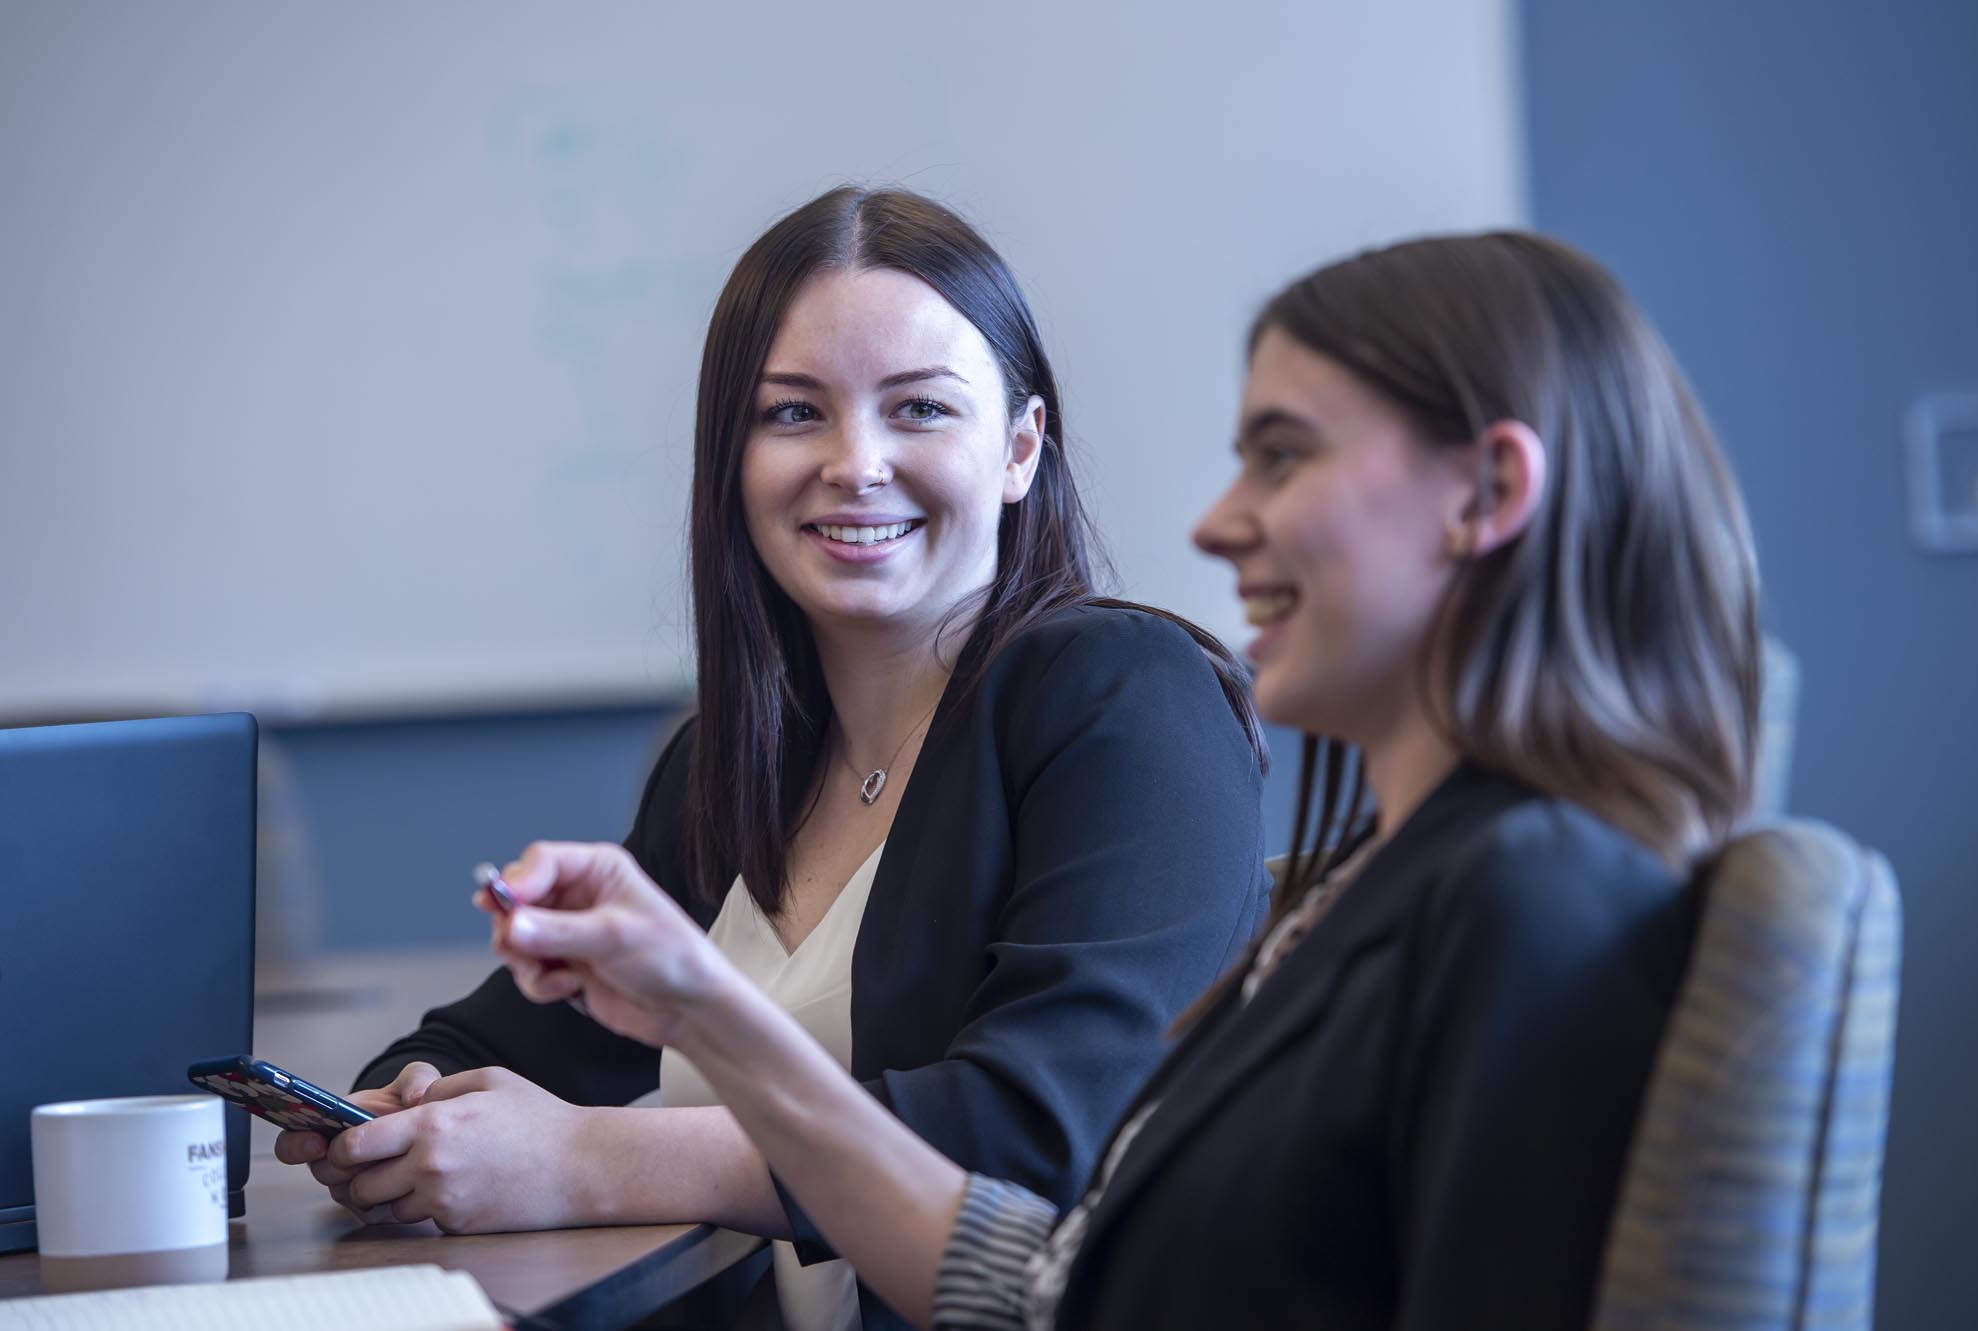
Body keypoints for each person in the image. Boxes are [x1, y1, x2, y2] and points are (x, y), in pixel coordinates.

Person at [476, 230, 1764, 1329]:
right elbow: (1039, 1288)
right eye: (792, 409)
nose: (1214, 521)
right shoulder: (1403, 887)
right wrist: (699, 998)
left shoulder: (1529, 902)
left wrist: (618, 1128)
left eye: (1281, 454)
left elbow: (1052, 1216)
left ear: (1484, 489)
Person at [271, 188, 1269, 1331]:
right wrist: (409, 1113)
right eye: (793, 414)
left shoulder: (1125, 698)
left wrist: (592, 1159)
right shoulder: (726, 759)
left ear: (1019, 447)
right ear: (730, 459)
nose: (855, 463)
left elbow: (1039, 1139)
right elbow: (486, 1039)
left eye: (919, 410)